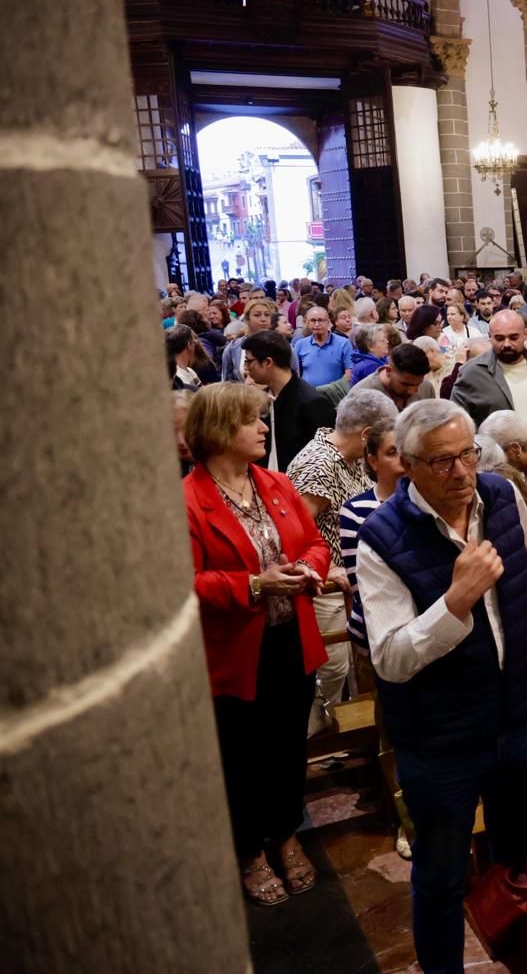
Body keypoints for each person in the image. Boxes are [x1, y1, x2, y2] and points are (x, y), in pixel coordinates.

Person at [354, 400, 527, 974]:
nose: (462, 473)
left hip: (517, 716)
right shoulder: (382, 537)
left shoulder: (501, 497)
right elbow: (392, 658)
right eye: (443, 461)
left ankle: (526, 959)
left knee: (521, 860)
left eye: (468, 455)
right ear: (408, 465)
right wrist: (456, 601)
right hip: (441, 737)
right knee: (442, 878)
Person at [184, 384, 330, 907]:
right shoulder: (188, 500)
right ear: (221, 430)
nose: (265, 428)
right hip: (234, 651)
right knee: (242, 755)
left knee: (289, 746)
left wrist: (309, 569)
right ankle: (249, 850)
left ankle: (286, 831)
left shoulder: (274, 483)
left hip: (291, 637)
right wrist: (252, 585)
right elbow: (185, 582)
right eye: (252, 420)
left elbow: (314, 542)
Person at [286, 389, 398, 730]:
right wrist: (328, 567)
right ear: (367, 436)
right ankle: (316, 745)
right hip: (325, 592)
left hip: (345, 589)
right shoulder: (319, 463)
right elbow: (292, 533)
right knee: (330, 670)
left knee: (343, 673)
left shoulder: (344, 457)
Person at [337, 420, 407, 656]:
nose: (403, 459)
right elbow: (362, 587)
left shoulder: (428, 502)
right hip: (376, 631)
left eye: (407, 450)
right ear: (373, 460)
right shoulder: (356, 509)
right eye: (392, 452)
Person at [448, 310, 527, 445]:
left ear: (525, 334)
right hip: (497, 463)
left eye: (513, 337)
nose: (506, 344)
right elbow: (459, 422)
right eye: (499, 338)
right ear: (490, 337)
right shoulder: (472, 372)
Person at [242, 330, 335, 472]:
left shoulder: (312, 402)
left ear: (267, 362)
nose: (246, 368)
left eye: (249, 361)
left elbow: (325, 460)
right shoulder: (263, 398)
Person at [351, 342, 435, 410]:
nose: (411, 391)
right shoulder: (360, 398)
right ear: (388, 371)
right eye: (405, 384)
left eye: (418, 385)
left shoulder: (426, 387)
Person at [290, 306, 354, 387]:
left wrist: (331, 390)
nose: (317, 324)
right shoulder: (300, 344)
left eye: (321, 320)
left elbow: (349, 372)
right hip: (308, 396)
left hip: (335, 396)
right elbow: (295, 373)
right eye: (313, 320)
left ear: (328, 322)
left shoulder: (343, 343)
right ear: (307, 323)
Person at [221, 298, 277, 381]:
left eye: (267, 315)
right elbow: (226, 383)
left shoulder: (281, 346)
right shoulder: (232, 348)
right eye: (257, 315)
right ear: (247, 319)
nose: (263, 319)